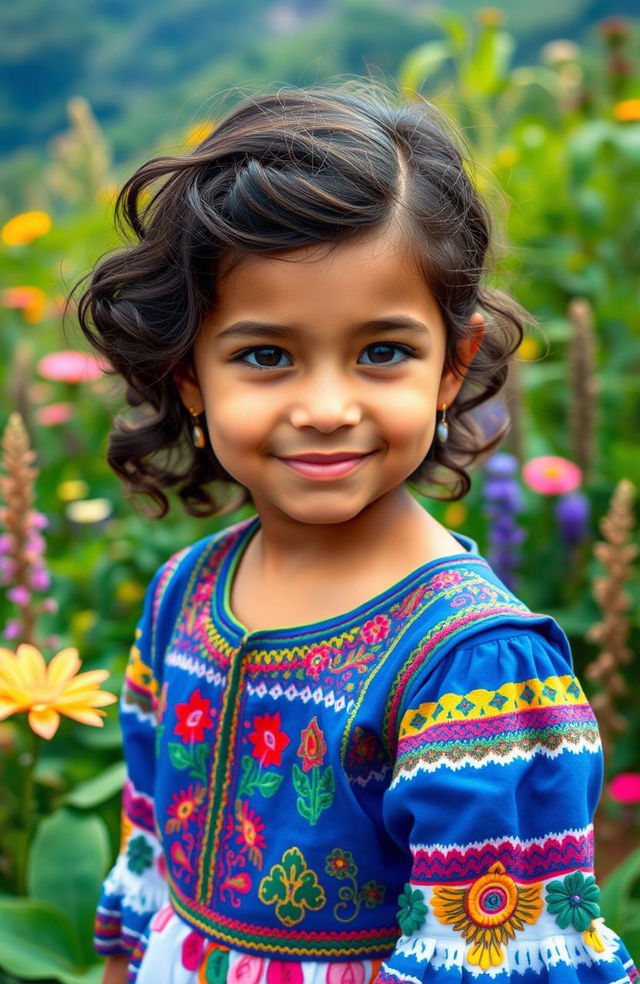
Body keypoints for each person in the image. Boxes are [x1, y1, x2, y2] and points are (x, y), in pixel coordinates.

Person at [75, 81, 637, 984]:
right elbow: (149, 855)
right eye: (266, 356)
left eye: (383, 352)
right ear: (190, 379)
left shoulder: (471, 667)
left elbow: (488, 956)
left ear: (452, 366)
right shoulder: (184, 593)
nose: (329, 409)